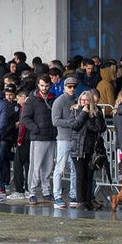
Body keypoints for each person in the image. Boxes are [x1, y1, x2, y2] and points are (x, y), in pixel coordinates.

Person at [68, 89, 106, 210]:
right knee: (80, 175)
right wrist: (84, 113)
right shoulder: (75, 110)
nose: (84, 102)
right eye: (82, 100)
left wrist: (91, 116)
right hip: (78, 147)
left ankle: (88, 199)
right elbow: (74, 126)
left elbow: (100, 128)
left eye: (86, 100)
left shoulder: (97, 111)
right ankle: (80, 201)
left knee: (90, 175)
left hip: (91, 148)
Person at [21, 74, 56, 205]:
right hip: (39, 136)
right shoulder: (32, 99)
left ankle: (46, 191)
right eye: (42, 85)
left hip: (50, 136)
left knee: (48, 166)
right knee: (36, 167)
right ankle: (32, 192)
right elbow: (25, 118)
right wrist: (35, 129)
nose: (44, 88)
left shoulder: (53, 98)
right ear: (38, 85)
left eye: (46, 85)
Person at [51, 75, 79, 208]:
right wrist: (72, 123)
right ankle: (57, 196)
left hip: (74, 138)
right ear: (64, 87)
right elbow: (55, 121)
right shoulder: (59, 101)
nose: (72, 89)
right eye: (69, 87)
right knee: (60, 168)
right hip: (63, 139)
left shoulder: (77, 100)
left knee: (74, 169)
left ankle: (73, 195)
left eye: (74, 87)